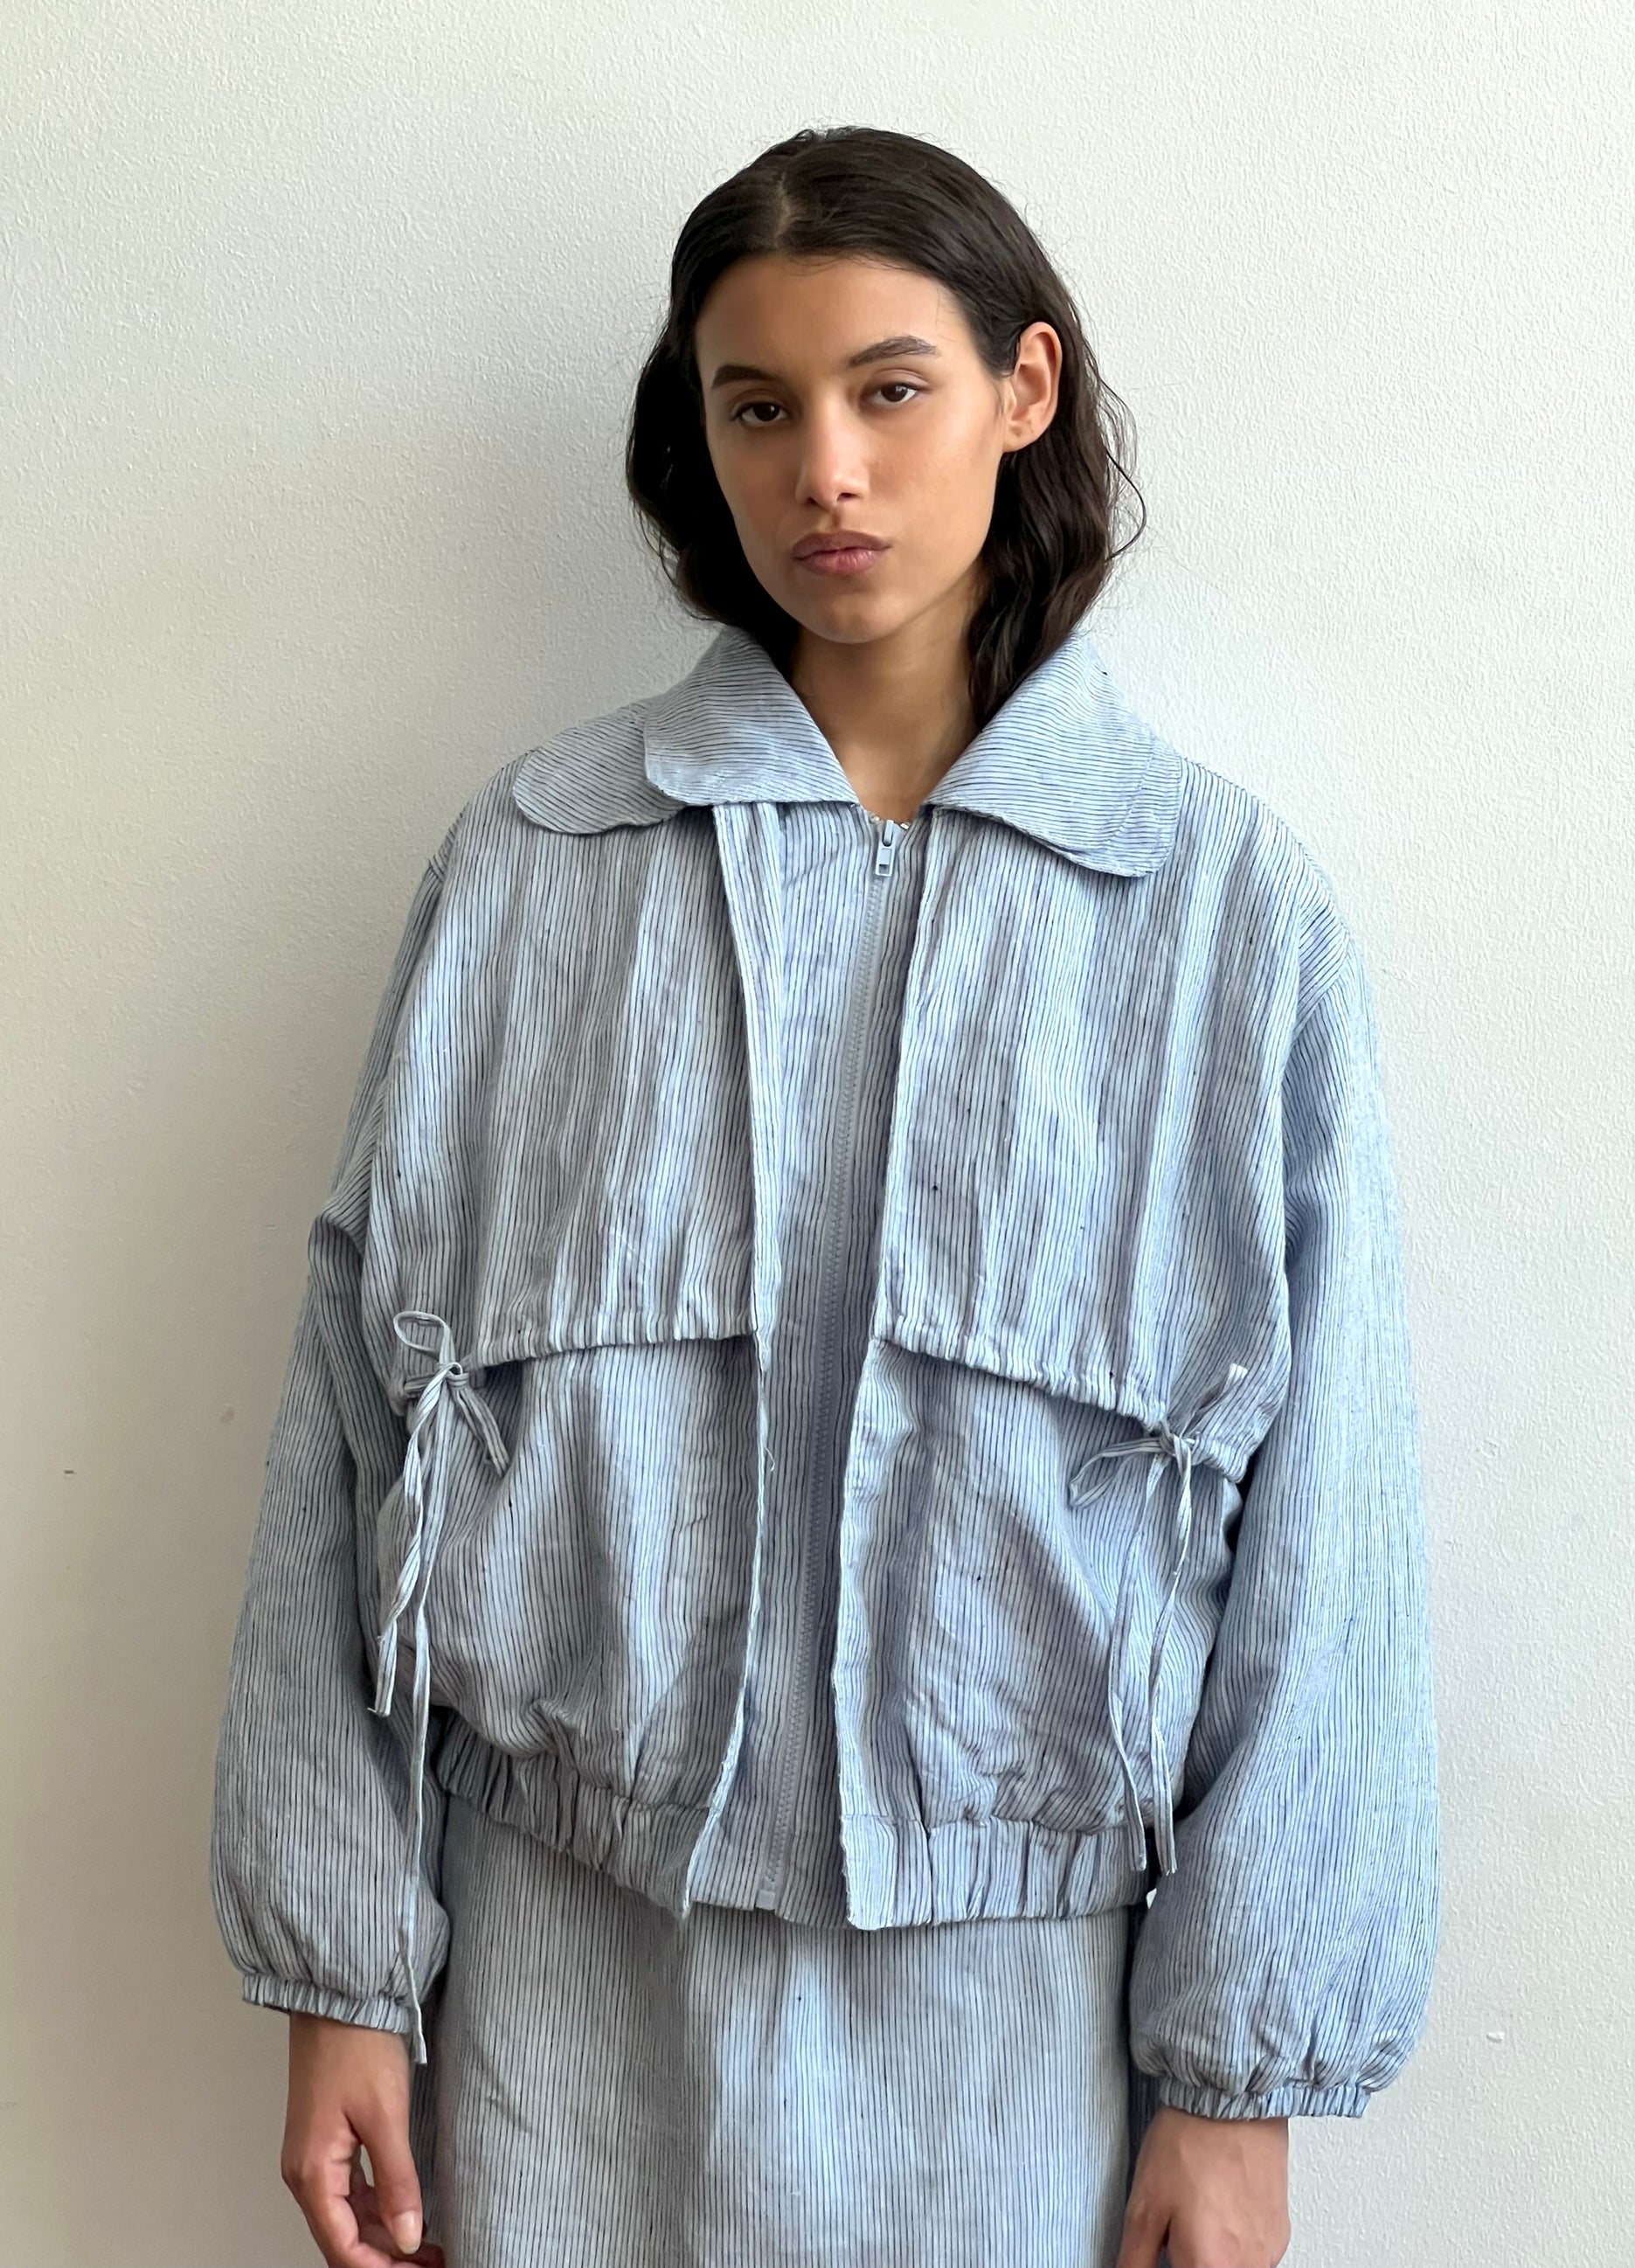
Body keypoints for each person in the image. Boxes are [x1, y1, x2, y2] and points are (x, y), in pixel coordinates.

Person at [211, 123, 1439, 2268]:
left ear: (1023, 389)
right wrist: (340, 1970)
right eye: (756, 406)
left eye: (890, 390)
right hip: (564, 2008)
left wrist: (1232, 2091)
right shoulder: (538, 864)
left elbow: (1325, 1539)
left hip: (1027, 2032)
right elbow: (360, 1416)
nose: (826, 476)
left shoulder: (1219, 913)